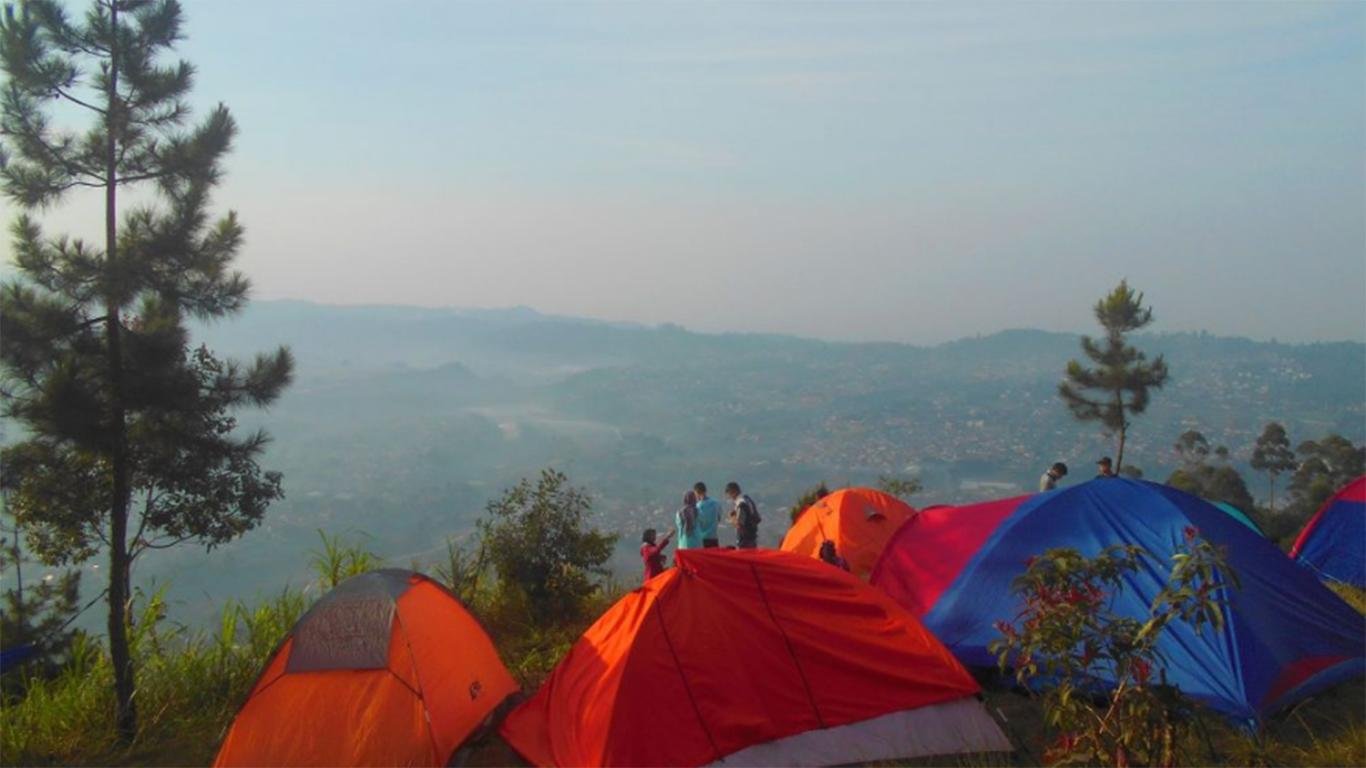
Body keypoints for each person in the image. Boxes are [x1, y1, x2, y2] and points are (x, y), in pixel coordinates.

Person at [725, 481, 760, 549]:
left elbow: (739, 524)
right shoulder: (747, 499)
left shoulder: (741, 504)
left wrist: (732, 518)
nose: (729, 497)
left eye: (729, 495)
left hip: (745, 539)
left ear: (733, 492)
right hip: (752, 536)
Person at [693, 482, 722, 548]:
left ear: (696, 492)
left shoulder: (698, 507)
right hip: (714, 537)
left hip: (702, 538)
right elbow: (719, 518)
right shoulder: (716, 503)